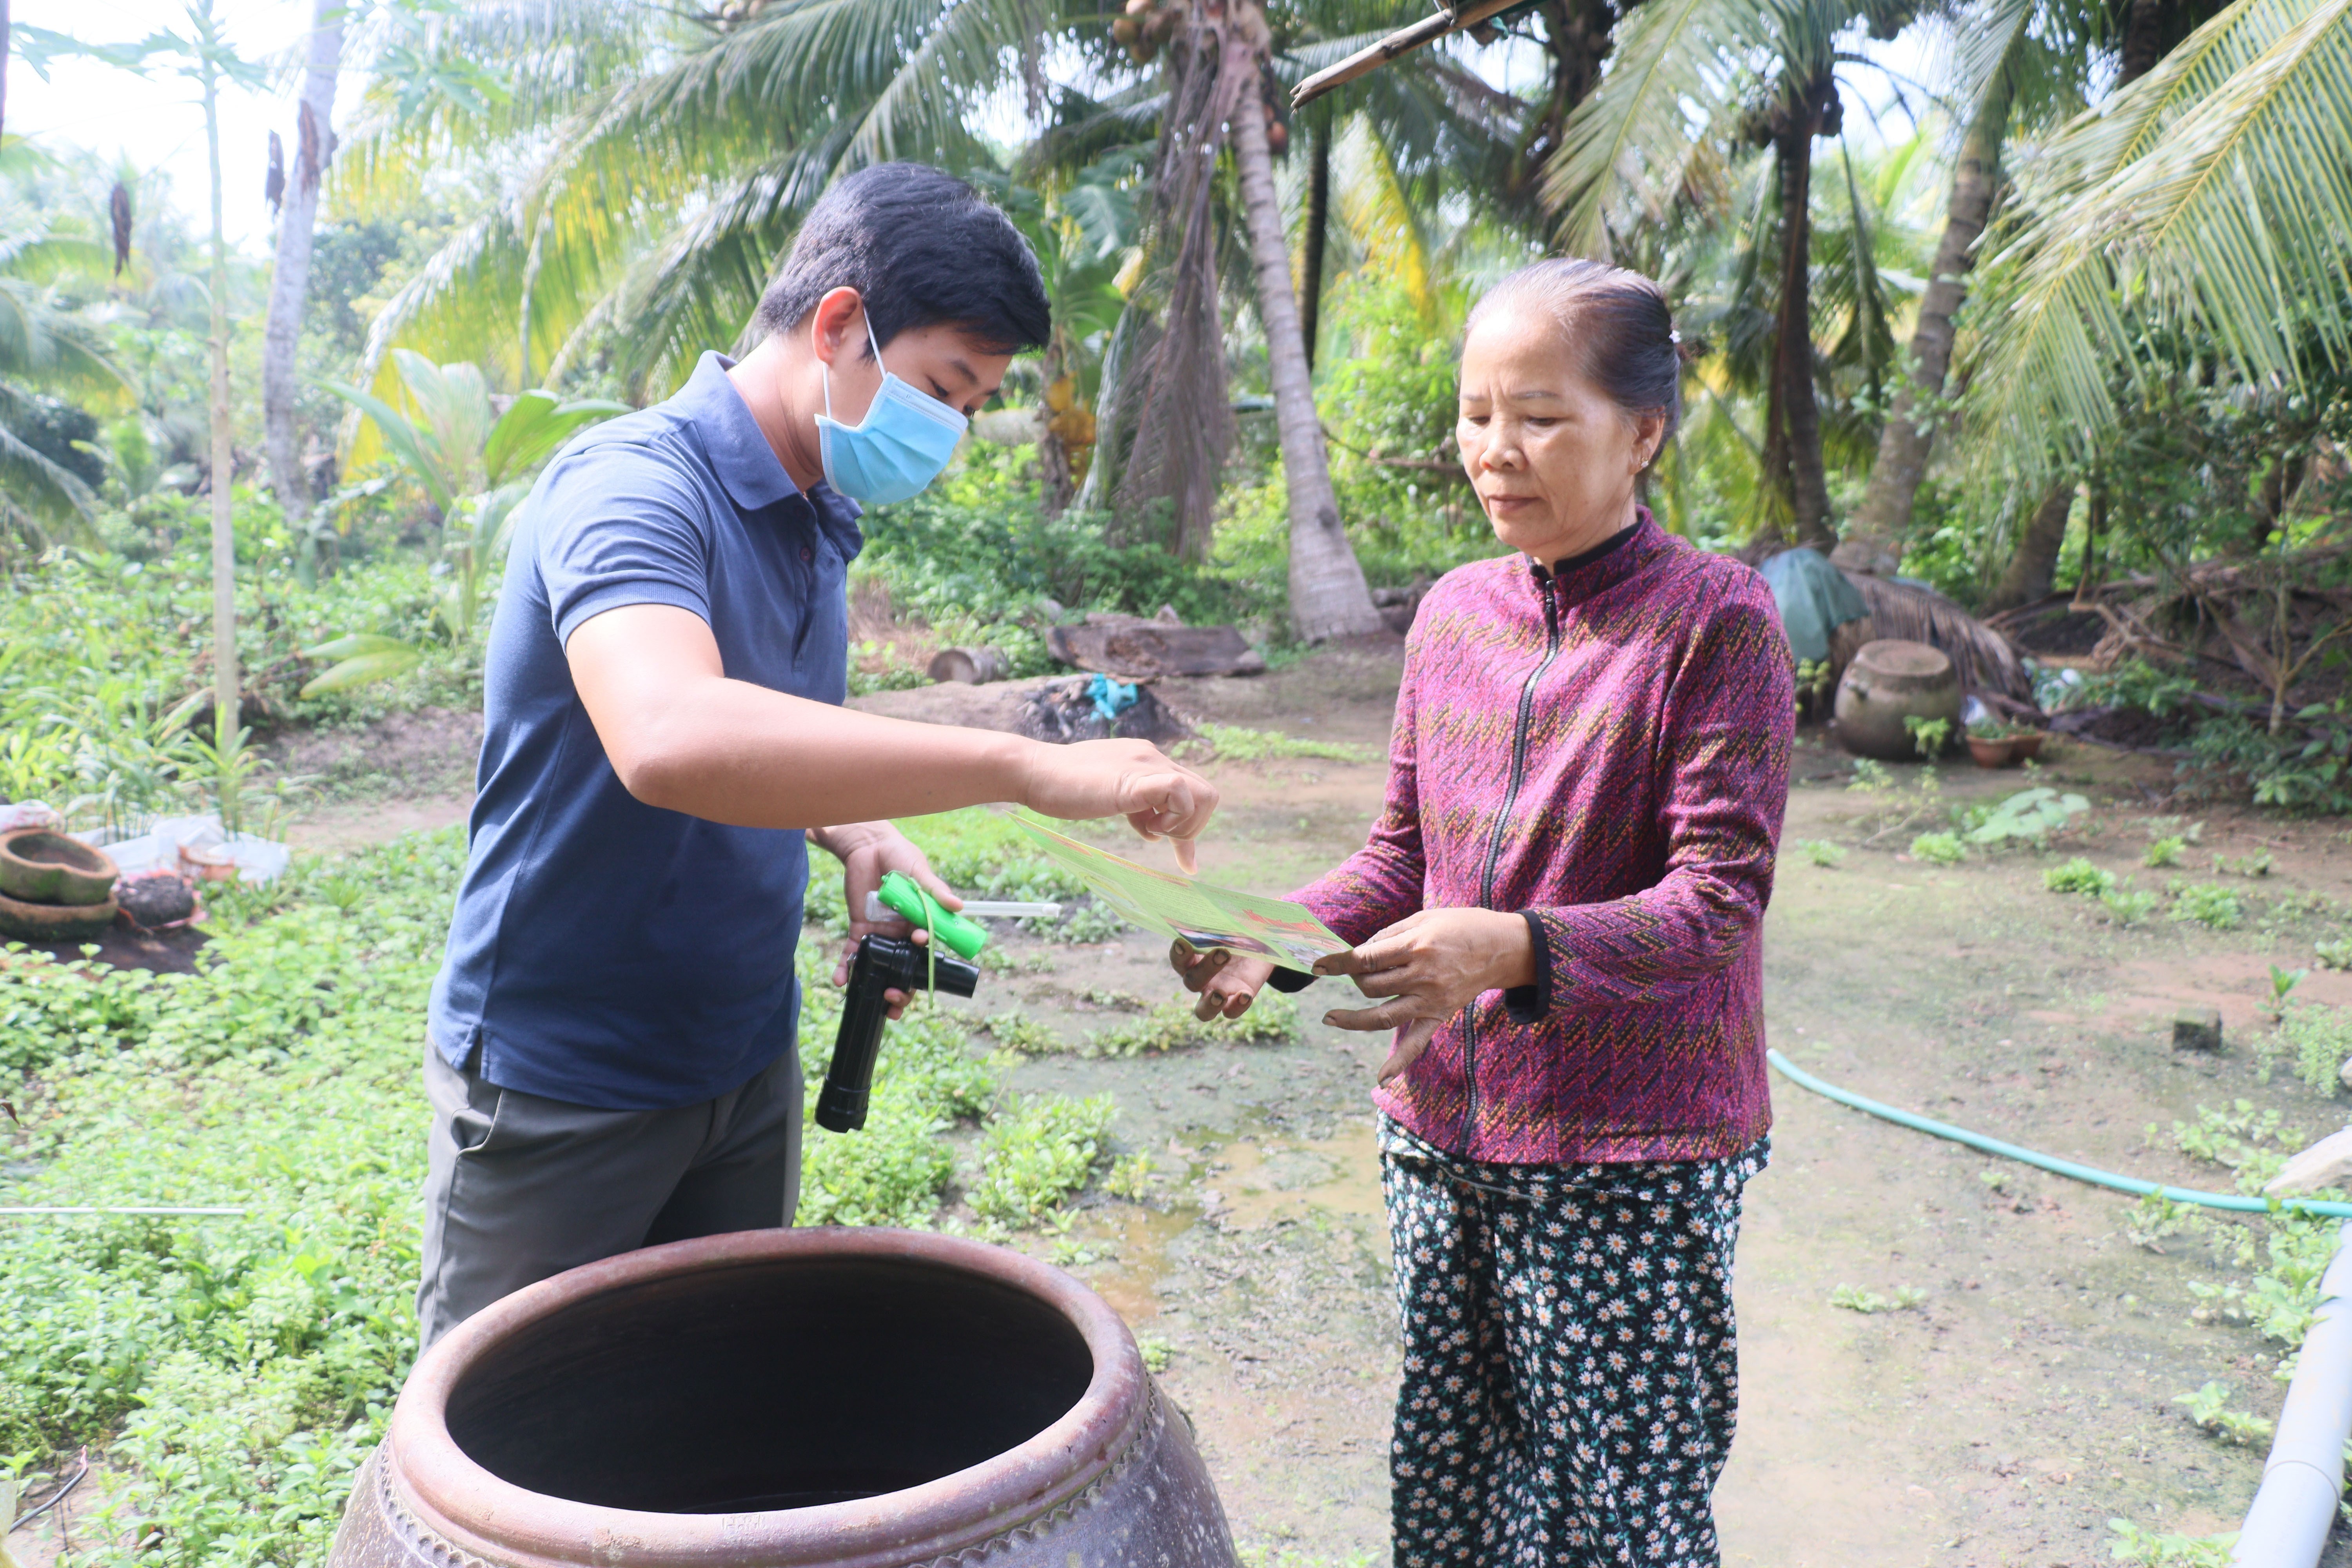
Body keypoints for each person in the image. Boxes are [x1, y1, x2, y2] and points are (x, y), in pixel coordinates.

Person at [417, 163, 1218, 1348]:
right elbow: (671, 735)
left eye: (973, 404)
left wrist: (853, 828)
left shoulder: (815, 515)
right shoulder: (631, 486)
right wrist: (1016, 765)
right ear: (839, 324)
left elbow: (765, 728)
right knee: (502, 1428)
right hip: (562, 1082)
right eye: (942, 389)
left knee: (717, 1401)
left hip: (742, 1058)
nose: (948, 433)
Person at [1172, 258, 1792, 1566]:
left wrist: (1509, 947)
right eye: (1474, 414)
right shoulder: (1455, 614)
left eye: (1541, 417)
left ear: (1644, 434)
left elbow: (1716, 904)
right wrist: (1273, 938)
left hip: (1628, 1157)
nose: (1495, 450)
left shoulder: (1715, 622)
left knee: (1620, 1508)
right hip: (1440, 1134)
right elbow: (1403, 857)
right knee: (1452, 1473)